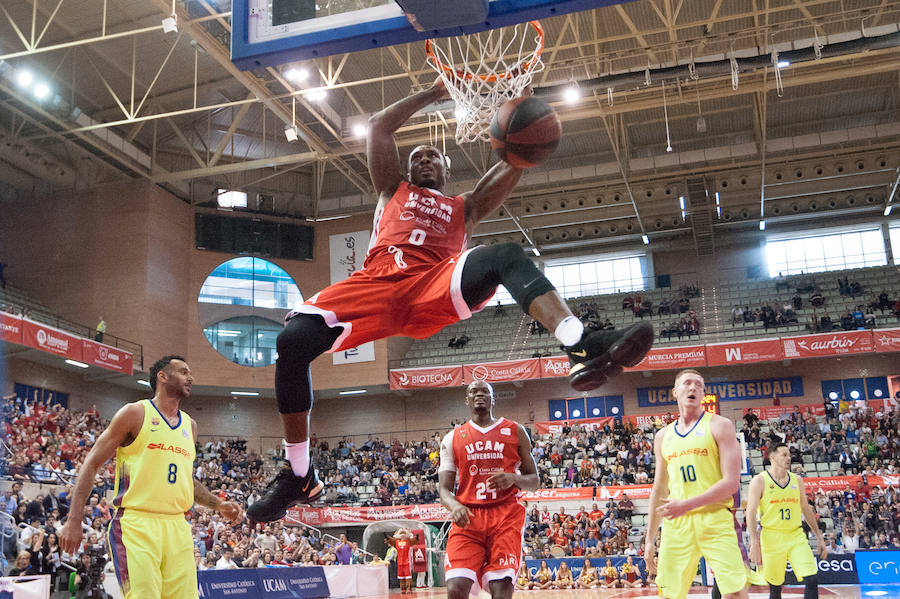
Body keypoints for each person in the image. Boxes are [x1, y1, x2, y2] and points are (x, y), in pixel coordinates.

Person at [248, 80, 654, 522]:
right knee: (292, 342)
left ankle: (580, 343)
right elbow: (381, 128)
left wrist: (526, 142)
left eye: (432, 157)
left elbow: (511, 163)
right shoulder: (392, 190)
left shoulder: (465, 207)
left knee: (504, 256)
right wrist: (435, 91)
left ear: (445, 168)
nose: (423, 160)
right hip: (376, 282)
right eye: (416, 157)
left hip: (435, 283)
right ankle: (300, 474)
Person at [58, 355, 243, 599]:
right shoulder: (135, 413)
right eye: (183, 372)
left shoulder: (190, 425)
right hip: (137, 523)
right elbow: (91, 464)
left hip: (177, 525)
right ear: (162, 376)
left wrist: (217, 504)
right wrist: (74, 519)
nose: (191, 377)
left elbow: (185, 478)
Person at [644, 369, 747, 599]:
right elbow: (659, 489)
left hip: (715, 518)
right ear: (675, 392)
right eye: (687, 383)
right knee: (669, 594)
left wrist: (687, 504)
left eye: (698, 385)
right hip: (677, 524)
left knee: (736, 592)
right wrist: (649, 539)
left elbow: (731, 483)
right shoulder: (663, 436)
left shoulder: (720, 425)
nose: (693, 388)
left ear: (703, 394)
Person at [438, 380, 538, 599]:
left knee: (501, 590)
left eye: (485, 391)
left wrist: (513, 478)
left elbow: (535, 481)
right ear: (467, 400)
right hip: (469, 516)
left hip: (505, 516)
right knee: (455, 587)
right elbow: (444, 490)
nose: (479, 394)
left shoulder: (516, 431)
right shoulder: (453, 437)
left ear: (493, 399)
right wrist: (454, 505)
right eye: (474, 391)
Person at [747, 443, 828, 599]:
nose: (789, 458)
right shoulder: (759, 481)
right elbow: (750, 512)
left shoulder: (797, 480)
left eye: (789, 454)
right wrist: (754, 542)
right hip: (771, 537)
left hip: (795, 535)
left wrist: (819, 537)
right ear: (772, 457)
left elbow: (806, 510)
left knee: (812, 578)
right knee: (776, 587)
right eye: (784, 455)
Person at [389, 528, 413, 593]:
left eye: (404, 533)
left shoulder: (408, 541)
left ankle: (409, 588)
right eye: (401, 534)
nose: (402, 535)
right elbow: (393, 539)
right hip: (400, 562)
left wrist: (406, 530)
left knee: (408, 576)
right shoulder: (397, 542)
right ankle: (403, 588)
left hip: (407, 562)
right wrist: (398, 532)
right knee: (401, 577)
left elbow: (411, 536)